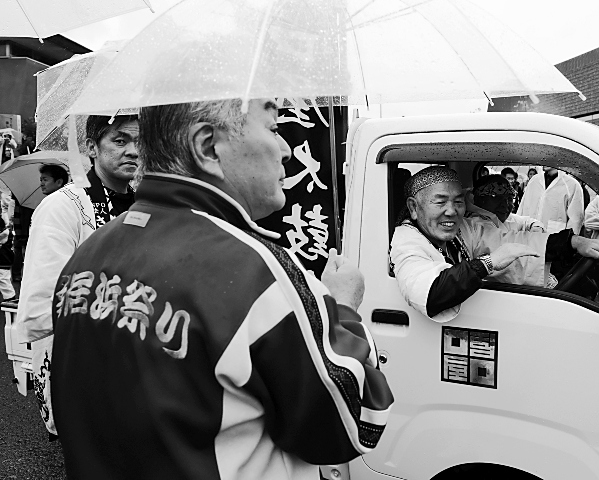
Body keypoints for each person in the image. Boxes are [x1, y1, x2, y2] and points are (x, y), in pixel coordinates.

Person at [50, 98, 393, 480]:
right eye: (274, 129)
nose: (286, 150)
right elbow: (353, 425)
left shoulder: (89, 255)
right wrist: (341, 307)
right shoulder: (253, 273)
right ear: (207, 146)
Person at [15, 114, 139, 439]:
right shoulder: (63, 207)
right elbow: (42, 304)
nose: (133, 151)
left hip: (140, 368)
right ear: (91, 147)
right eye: (120, 140)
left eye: (141, 141)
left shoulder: (152, 204)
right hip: (81, 366)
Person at [389, 166, 599, 322]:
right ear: (413, 208)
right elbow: (431, 293)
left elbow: (508, 241)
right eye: (440, 202)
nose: (451, 211)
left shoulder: (464, 227)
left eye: (458, 202)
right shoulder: (406, 242)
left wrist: (572, 241)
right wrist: (488, 263)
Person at [517, 167, 584, 234]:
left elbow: (575, 220)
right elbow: (522, 208)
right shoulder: (534, 181)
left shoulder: (571, 185)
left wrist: (567, 241)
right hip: (529, 236)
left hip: (554, 239)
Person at [0, 217, 15, 302]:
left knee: (4, 282)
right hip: (4, 260)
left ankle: (10, 301)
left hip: (3, 261)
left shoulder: (4, 235)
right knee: (4, 281)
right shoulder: (6, 232)